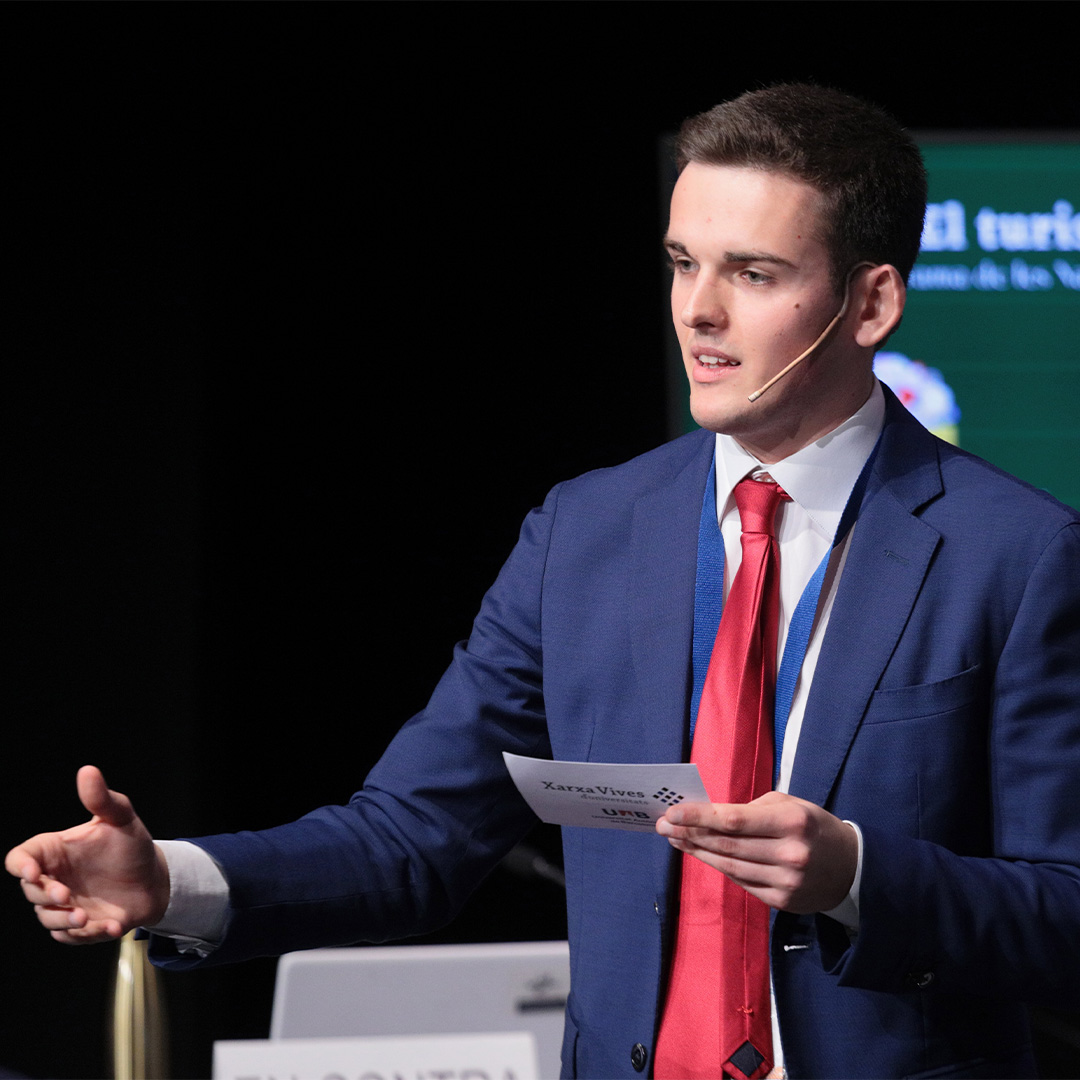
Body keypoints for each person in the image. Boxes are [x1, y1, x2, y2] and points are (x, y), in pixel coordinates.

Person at [8, 84, 1080, 1080]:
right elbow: (413, 838)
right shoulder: (585, 533)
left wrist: (855, 874)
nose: (698, 311)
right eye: (680, 262)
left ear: (872, 303)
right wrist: (172, 883)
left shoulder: (1019, 554)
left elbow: (1067, 919)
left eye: (753, 274)